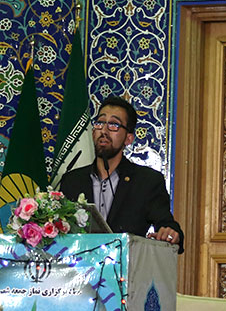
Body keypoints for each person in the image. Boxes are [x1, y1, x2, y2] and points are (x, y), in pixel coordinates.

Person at [59, 95, 184, 252]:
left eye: (114, 125)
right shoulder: (72, 181)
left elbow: (168, 225)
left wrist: (171, 233)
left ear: (128, 138)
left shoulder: (147, 182)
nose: (104, 130)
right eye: (100, 123)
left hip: (129, 264)